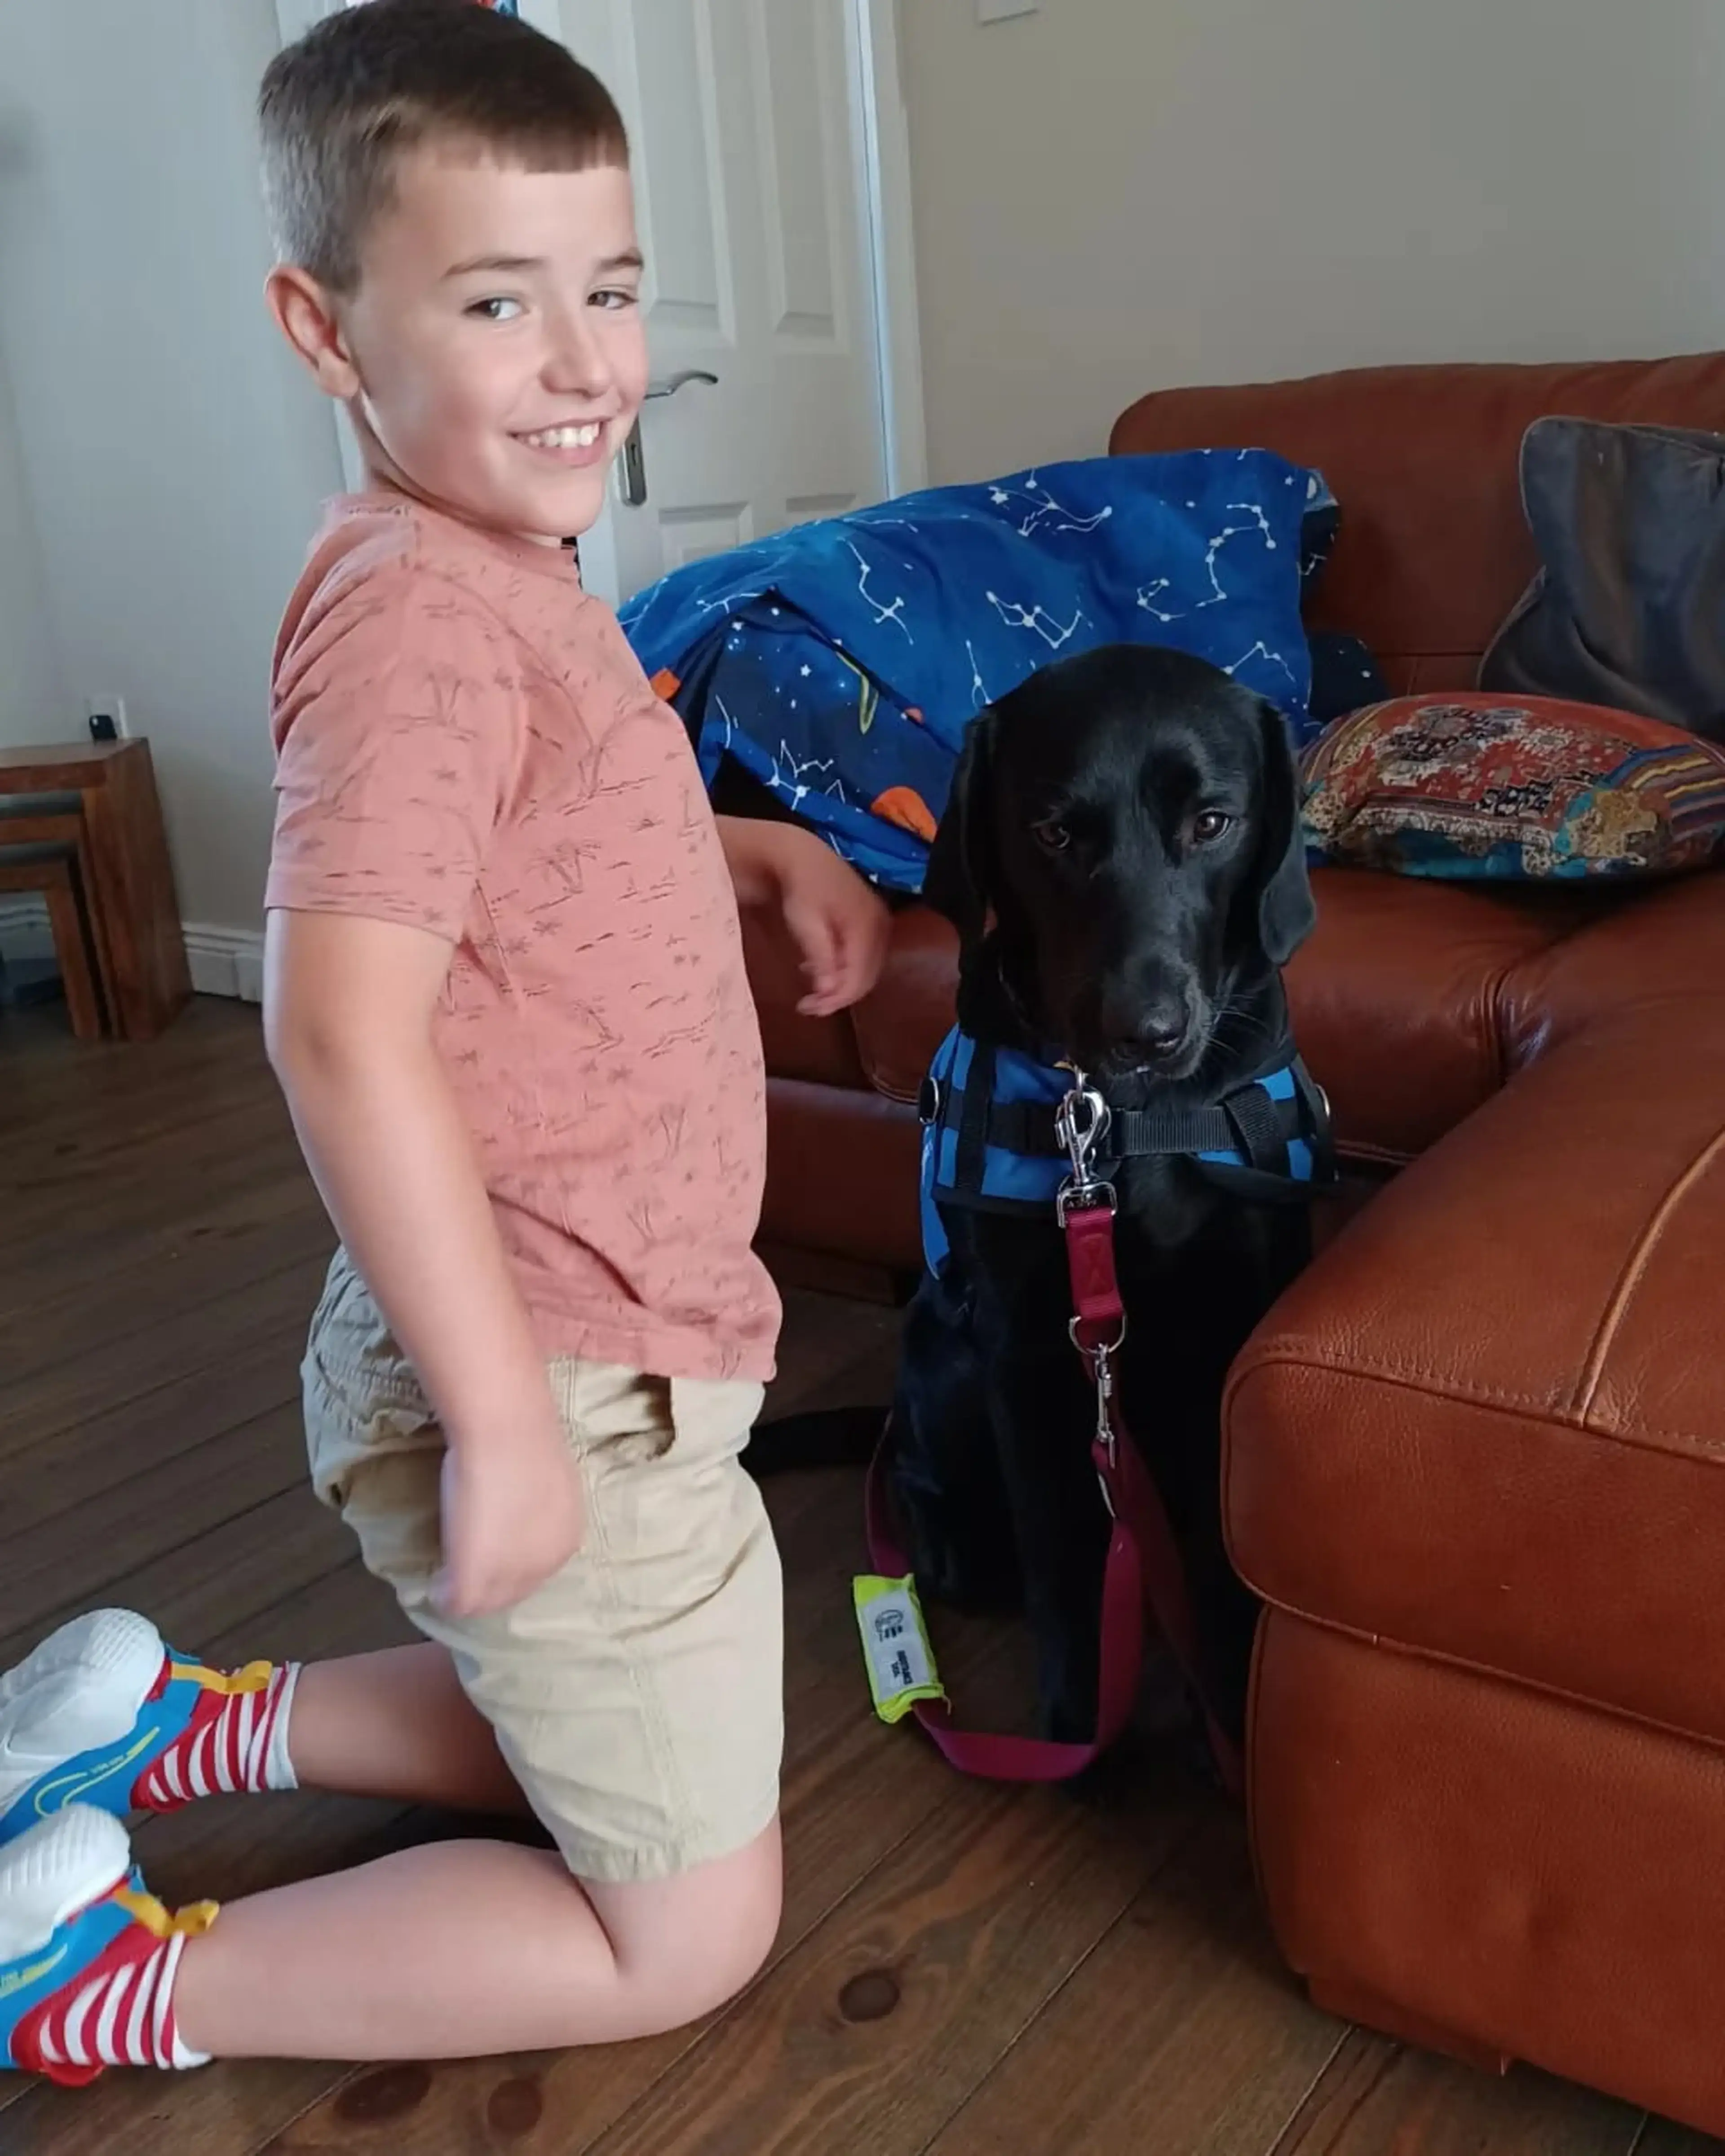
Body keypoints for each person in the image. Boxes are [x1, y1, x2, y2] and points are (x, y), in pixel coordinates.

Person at [0, 0, 890, 2084]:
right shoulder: (421, 621)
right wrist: (501, 1421)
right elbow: (337, 1028)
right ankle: (93, 1990)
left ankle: (164, 1732)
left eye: (611, 289)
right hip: (554, 1356)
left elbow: (521, 837)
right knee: (683, 1931)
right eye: (499, 302)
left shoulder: (492, 561)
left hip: (590, 1323)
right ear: (325, 332)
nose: (586, 362)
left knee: (579, 1723)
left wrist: (735, 849)